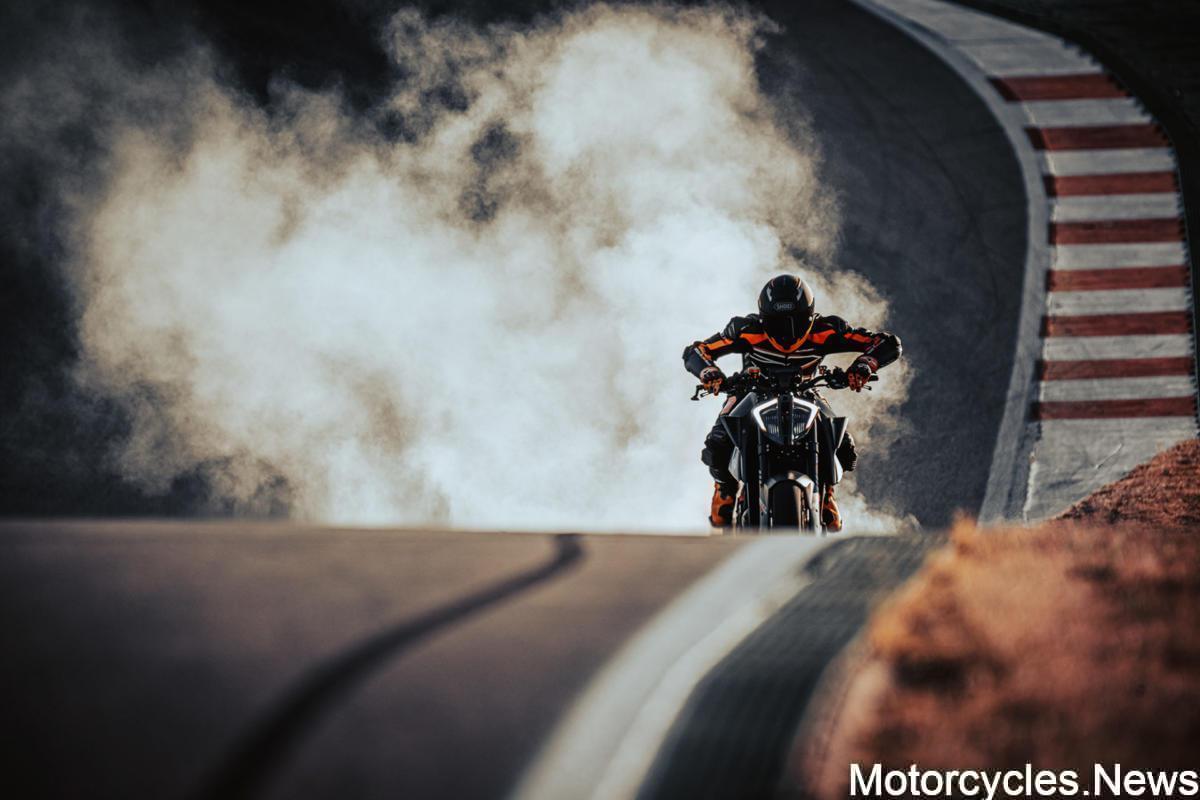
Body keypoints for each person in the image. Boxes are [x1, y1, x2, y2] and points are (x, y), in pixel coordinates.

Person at [682, 274, 902, 530]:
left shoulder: (827, 329)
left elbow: (886, 342)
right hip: (750, 392)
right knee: (717, 442)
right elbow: (697, 351)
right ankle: (724, 489)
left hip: (806, 392)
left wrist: (864, 364)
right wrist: (709, 372)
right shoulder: (745, 329)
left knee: (844, 446)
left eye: (794, 321)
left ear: (809, 316)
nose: (786, 331)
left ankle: (827, 492)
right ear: (763, 317)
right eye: (776, 322)